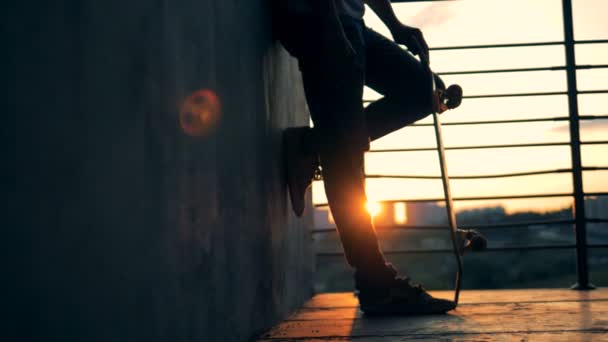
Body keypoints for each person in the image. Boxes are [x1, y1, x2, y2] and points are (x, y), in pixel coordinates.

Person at [276, 0, 459, 315]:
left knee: (421, 90)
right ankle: (375, 282)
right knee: (345, 154)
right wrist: (329, 23)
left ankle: (311, 144)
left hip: (348, 20)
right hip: (316, 20)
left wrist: (395, 24)